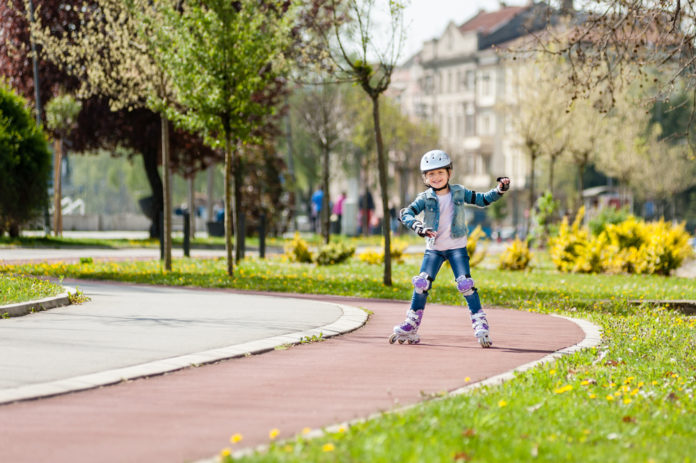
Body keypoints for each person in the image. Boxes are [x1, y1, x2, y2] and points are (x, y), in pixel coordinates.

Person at [390, 149, 510, 348]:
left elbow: (482, 199)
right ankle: (411, 324)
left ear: (449, 173)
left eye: (440, 173)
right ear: (425, 178)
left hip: (456, 247)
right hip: (434, 249)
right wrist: (418, 226)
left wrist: (499, 190)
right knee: (421, 284)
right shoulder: (424, 197)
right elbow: (406, 213)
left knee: (465, 284)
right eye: (431, 174)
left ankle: (480, 322)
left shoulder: (459, 192)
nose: (436, 177)